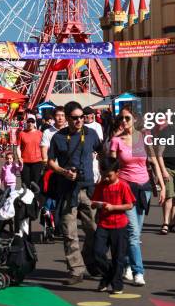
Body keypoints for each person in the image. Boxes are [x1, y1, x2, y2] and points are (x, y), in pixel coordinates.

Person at [48, 101, 103, 284]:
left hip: (88, 189)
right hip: (67, 191)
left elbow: (102, 152)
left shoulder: (91, 134)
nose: (80, 120)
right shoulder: (58, 138)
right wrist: (64, 172)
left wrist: (103, 174)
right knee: (69, 233)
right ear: (68, 119)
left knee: (93, 230)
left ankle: (89, 259)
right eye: (75, 118)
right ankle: (75, 270)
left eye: (81, 117)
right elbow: (50, 162)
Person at [110, 106, 165, 287]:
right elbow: (110, 166)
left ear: (134, 119)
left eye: (127, 118)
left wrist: (162, 186)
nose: (124, 122)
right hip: (125, 189)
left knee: (135, 233)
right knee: (133, 233)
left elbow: (154, 160)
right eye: (122, 119)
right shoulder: (116, 141)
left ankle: (125, 263)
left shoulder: (143, 137)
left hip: (144, 188)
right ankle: (138, 272)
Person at [91, 158, 135, 294]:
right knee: (97, 253)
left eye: (109, 175)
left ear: (117, 172)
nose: (106, 178)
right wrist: (97, 204)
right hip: (103, 224)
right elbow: (93, 201)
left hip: (119, 226)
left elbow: (130, 205)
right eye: (103, 175)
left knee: (118, 257)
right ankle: (109, 275)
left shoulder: (123, 186)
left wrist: (113, 207)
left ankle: (117, 284)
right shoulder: (101, 185)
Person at [156, 118, 175, 235]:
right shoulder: (165, 132)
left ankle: (173, 223)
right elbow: (159, 154)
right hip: (168, 168)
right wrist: (163, 171)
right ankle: (166, 223)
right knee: (169, 196)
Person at [16, 116, 43, 187]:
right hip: (25, 162)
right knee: (25, 182)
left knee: (36, 182)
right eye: (29, 122)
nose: (30, 124)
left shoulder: (40, 133)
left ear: (35, 123)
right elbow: (18, 147)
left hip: (38, 161)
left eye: (32, 122)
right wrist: (19, 157)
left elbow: (43, 147)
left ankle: (35, 197)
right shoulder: (22, 133)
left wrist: (45, 158)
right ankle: (26, 197)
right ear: (26, 123)